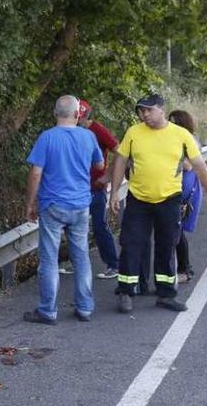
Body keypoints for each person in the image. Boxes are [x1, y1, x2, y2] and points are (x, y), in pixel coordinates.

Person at [109, 94, 207, 313]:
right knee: (131, 244)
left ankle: (166, 294)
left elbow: (199, 167)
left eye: (147, 111)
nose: (144, 115)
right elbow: (121, 159)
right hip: (138, 200)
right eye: (140, 112)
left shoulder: (180, 135)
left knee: (167, 245)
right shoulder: (134, 132)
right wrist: (114, 192)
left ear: (161, 109)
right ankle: (126, 291)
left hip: (169, 200)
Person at [24, 95, 105, 324]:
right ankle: (85, 308)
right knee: (81, 257)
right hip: (80, 205)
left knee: (49, 259)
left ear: (54, 113)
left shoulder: (47, 138)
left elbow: (36, 173)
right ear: (78, 114)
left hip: (53, 205)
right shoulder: (89, 136)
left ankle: (48, 311)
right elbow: (99, 165)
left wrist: (30, 204)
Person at [77, 100, 120, 280]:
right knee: (76, 227)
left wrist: (107, 176)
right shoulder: (72, 132)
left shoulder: (98, 130)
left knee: (100, 226)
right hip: (77, 188)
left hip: (96, 187)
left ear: (83, 116)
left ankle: (113, 265)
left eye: (77, 117)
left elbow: (120, 151)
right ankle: (77, 263)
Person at [167, 110, 204, 283]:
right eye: (170, 121)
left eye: (175, 122)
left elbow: (189, 165)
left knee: (178, 232)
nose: (171, 125)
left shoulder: (188, 139)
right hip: (175, 189)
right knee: (175, 231)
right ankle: (181, 269)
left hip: (186, 191)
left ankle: (185, 269)